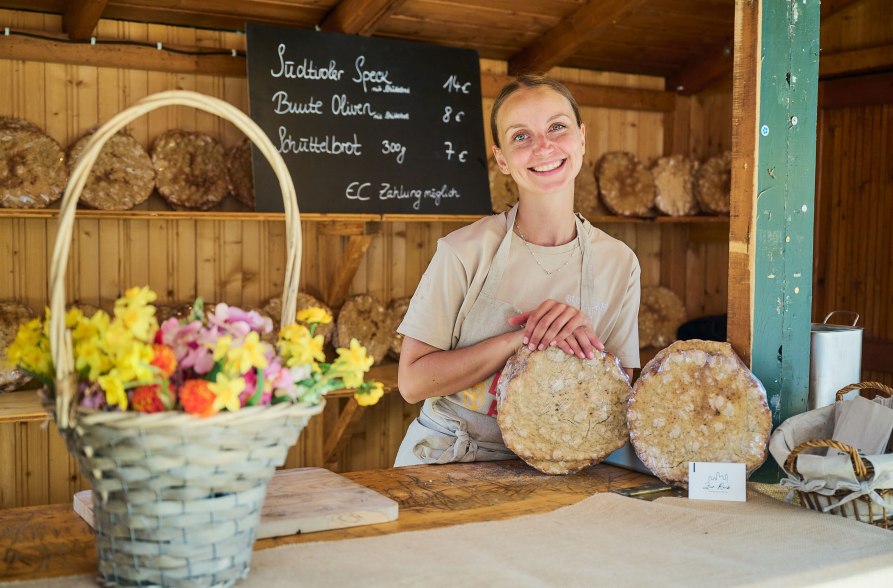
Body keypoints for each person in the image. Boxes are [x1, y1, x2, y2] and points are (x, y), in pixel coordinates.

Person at [393, 75, 640, 466]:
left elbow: (616, 394)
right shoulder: (463, 251)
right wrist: (521, 341)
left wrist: (581, 340)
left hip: (561, 467)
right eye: (521, 136)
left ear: (581, 139)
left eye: (557, 127)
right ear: (502, 159)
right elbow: (412, 382)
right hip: (450, 458)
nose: (543, 146)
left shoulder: (619, 263)